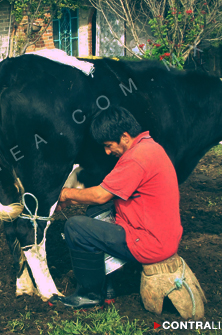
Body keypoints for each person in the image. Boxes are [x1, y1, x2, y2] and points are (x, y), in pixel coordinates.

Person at [54, 106, 183, 308]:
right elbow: (105, 194)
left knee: (75, 227)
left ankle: (89, 293)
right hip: (162, 233)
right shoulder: (149, 147)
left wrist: (63, 194)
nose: (107, 151)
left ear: (124, 136)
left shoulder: (135, 159)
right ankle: (108, 280)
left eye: (108, 145)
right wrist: (71, 201)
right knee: (95, 212)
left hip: (150, 243)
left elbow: (99, 194)